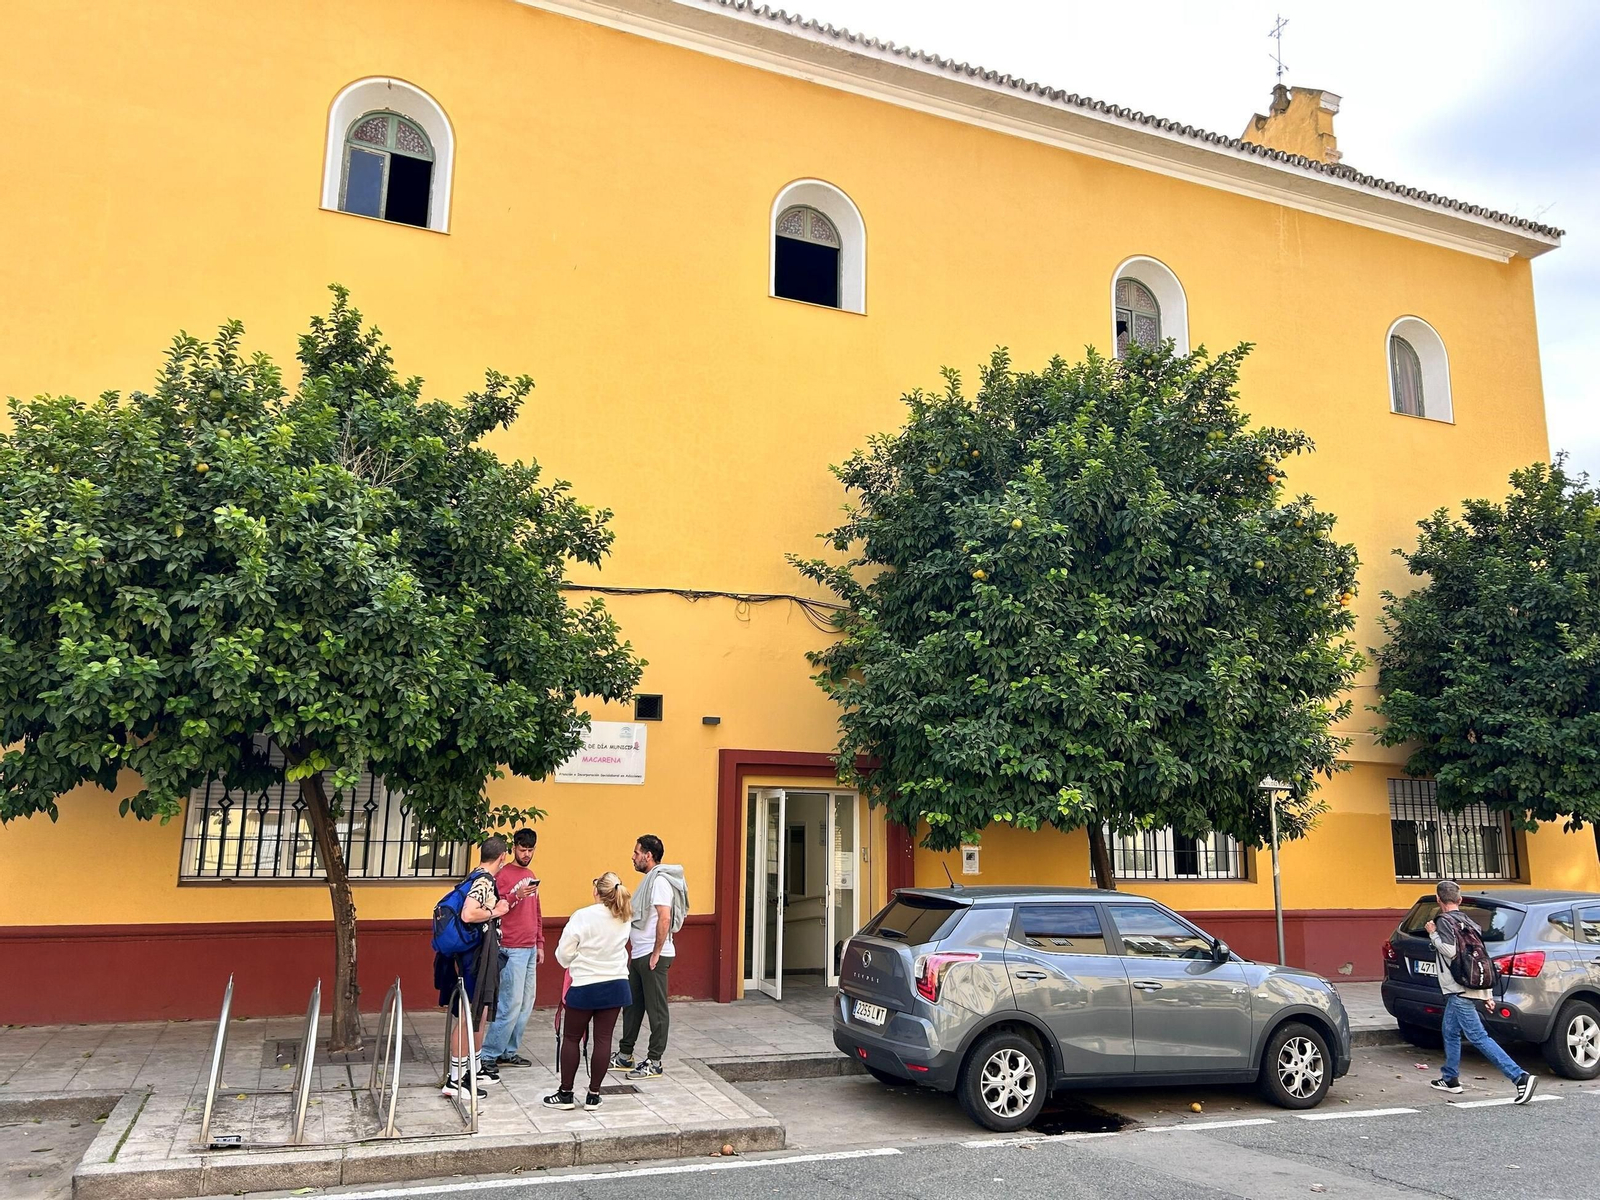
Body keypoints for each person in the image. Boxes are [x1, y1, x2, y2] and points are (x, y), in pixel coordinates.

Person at [1426, 879, 1537, 1103]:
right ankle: (1450, 1078)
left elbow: (1449, 951)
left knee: (1478, 1036)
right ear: (1459, 900)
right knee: (1450, 1031)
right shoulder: (1468, 921)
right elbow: (1480, 959)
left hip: (1458, 990)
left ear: (1439, 900)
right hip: (1471, 985)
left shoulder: (1444, 921)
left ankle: (1520, 1077)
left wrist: (1432, 933)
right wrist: (1486, 994)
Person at [543, 871, 633, 1111]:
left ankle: (566, 1093)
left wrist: (574, 959)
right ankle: (594, 1094)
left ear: (596, 891)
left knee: (572, 1037)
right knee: (603, 1039)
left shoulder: (582, 916)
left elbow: (563, 954)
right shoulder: (624, 915)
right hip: (616, 983)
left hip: (585, 984)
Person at [434, 835, 513, 1100]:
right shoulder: (484, 880)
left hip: (474, 957)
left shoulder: (474, 875)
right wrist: (497, 911)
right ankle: (455, 1080)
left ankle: (471, 1071)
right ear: (502, 857)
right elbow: (469, 914)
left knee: (477, 1013)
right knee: (469, 1014)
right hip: (474, 960)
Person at [611, 834, 688, 1079]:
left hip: (654, 955)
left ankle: (655, 1061)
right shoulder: (650, 881)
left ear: (648, 855)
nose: (633, 857)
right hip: (640, 954)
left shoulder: (660, 882)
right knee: (632, 1007)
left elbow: (664, 918)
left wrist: (656, 952)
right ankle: (625, 1055)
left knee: (656, 1011)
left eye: (636, 853)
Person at [480, 828, 544, 1077]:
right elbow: (493, 905)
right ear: (513, 849)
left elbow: (536, 911)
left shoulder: (531, 874)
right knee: (510, 1003)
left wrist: (540, 942)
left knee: (526, 1004)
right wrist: (515, 895)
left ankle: (508, 1050)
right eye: (522, 849)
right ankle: (488, 1054)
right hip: (511, 946)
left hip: (529, 948)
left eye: (530, 850)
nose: (526, 854)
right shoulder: (503, 874)